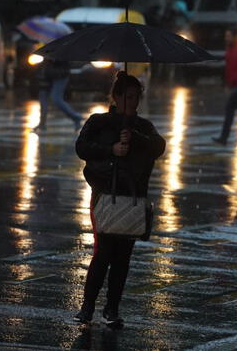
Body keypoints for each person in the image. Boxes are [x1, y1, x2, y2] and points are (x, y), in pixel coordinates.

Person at [74, 71, 166, 327]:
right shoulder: (99, 122)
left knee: (123, 258)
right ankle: (88, 306)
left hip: (132, 198)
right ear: (115, 97)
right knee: (102, 253)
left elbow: (158, 146)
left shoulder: (143, 127)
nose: (132, 102)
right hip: (104, 196)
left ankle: (112, 309)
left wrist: (135, 139)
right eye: (127, 97)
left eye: (136, 97)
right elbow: (82, 148)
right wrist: (111, 150)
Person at [33, 58, 84, 133]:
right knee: (43, 98)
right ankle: (42, 124)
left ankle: (76, 117)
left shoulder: (62, 51)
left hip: (60, 75)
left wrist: (54, 61)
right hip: (47, 74)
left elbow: (65, 63)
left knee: (56, 99)